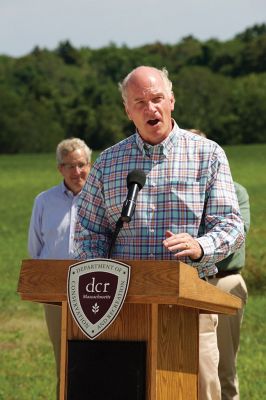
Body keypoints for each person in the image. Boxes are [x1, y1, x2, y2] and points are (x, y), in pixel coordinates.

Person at [74, 66, 245, 400]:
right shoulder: (108, 163)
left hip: (191, 305)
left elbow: (231, 226)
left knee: (202, 392)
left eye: (156, 99)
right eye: (140, 102)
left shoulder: (207, 155)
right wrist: (100, 273)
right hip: (124, 308)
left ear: (172, 100)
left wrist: (199, 246)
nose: (150, 108)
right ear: (128, 110)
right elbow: (88, 231)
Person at [28, 137, 92, 399]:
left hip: (95, 293)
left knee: (98, 359)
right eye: (69, 166)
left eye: (81, 164)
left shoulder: (101, 199)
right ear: (59, 169)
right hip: (56, 296)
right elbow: (36, 248)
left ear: (90, 164)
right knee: (64, 363)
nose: (76, 172)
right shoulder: (44, 201)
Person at [190, 129, 250, 400]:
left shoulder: (236, 192)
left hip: (223, 282)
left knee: (223, 367)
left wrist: (199, 247)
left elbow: (236, 235)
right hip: (184, 286)